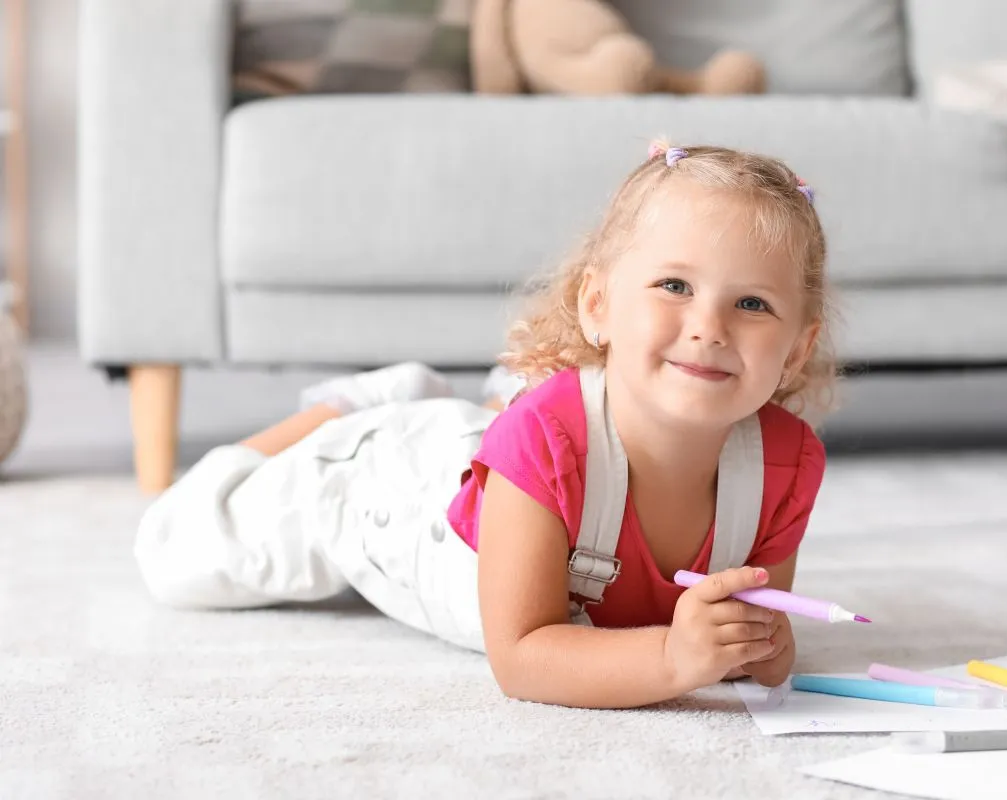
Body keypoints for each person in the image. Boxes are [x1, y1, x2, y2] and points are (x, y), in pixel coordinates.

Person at [134, 141, 837, 710]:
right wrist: (673, 659)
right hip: (394, 497)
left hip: (506, 447)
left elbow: (755, 626)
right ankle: (366, 407)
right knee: (172, 553)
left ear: (796, 350)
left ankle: (474, 406)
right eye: (674, 287)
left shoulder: (784, 464)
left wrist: (761, 648)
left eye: (751, 303)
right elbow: (524, 655)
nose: (709, 328)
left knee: (512, 430)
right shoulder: (547, 441)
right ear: (598, 305)